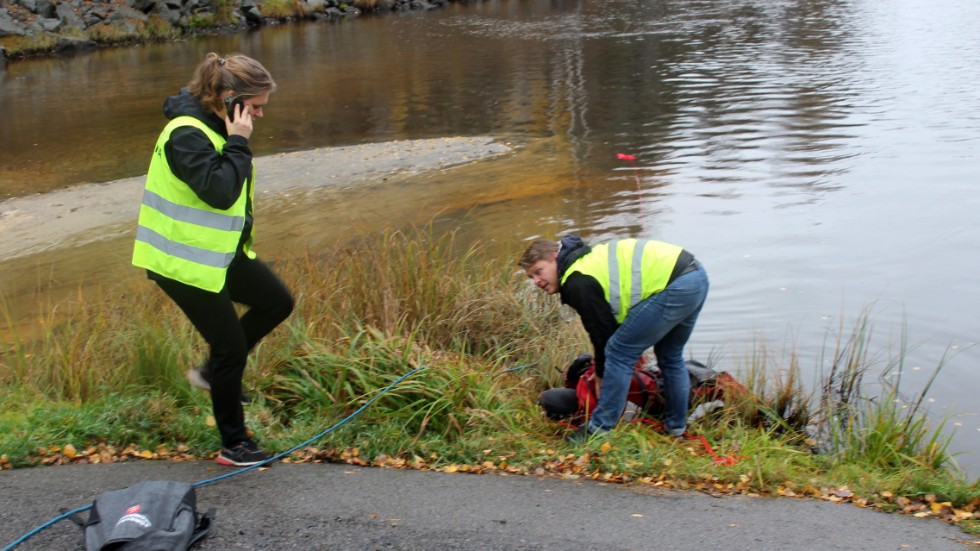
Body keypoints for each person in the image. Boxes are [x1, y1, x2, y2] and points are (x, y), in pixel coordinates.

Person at [132, 52, 294, 466]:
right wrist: (240, 141)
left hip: (220, 255)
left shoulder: (215, 125)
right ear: (228, 97)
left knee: (277, 301)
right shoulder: (185, 134)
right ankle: (234, 444)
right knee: (230, 347)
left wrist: (236, 138)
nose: (257, 116)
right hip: (181, 262)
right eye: (254, 107)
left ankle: (211, 374)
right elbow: (220, 193)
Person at [519, 235, 708, 443]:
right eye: (531, 277)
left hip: (677, 284)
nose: (536, 281)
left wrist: (601, 373)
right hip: (695, 276)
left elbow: (603, 337)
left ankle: (599, 430)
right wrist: (602, 366)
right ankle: (675, 430)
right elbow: (608, 326)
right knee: (669, 356)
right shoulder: (583, 261)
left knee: (619, 353)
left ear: (555, 258)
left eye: (539, 271)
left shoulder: (577, 281)